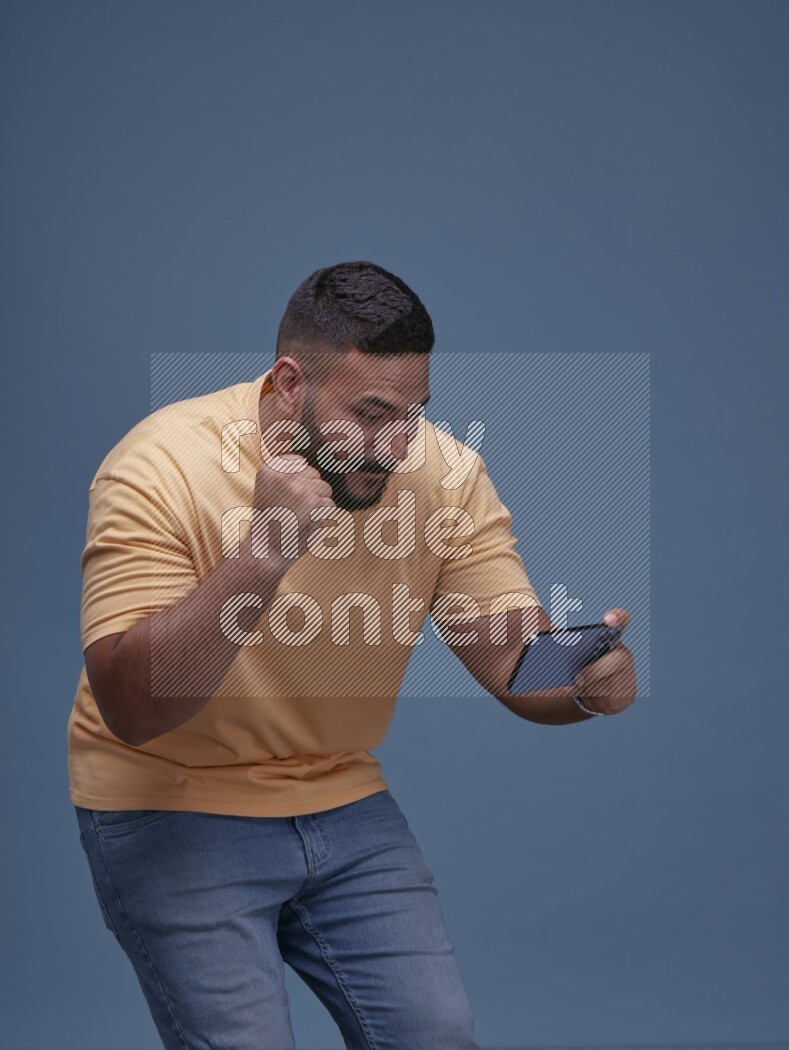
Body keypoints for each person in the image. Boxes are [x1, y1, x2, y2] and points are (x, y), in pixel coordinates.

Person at [68, 260, 637, 1050]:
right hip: (171, 798)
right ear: (290, 383)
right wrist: (263, 554)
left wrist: (582, 680)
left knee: (436, 1035)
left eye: (414, 414)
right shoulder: (162, 464)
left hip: (339, 796)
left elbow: (511, 659)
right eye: (371, 415)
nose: (398, 446)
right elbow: (132, 708)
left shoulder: (442, 476)